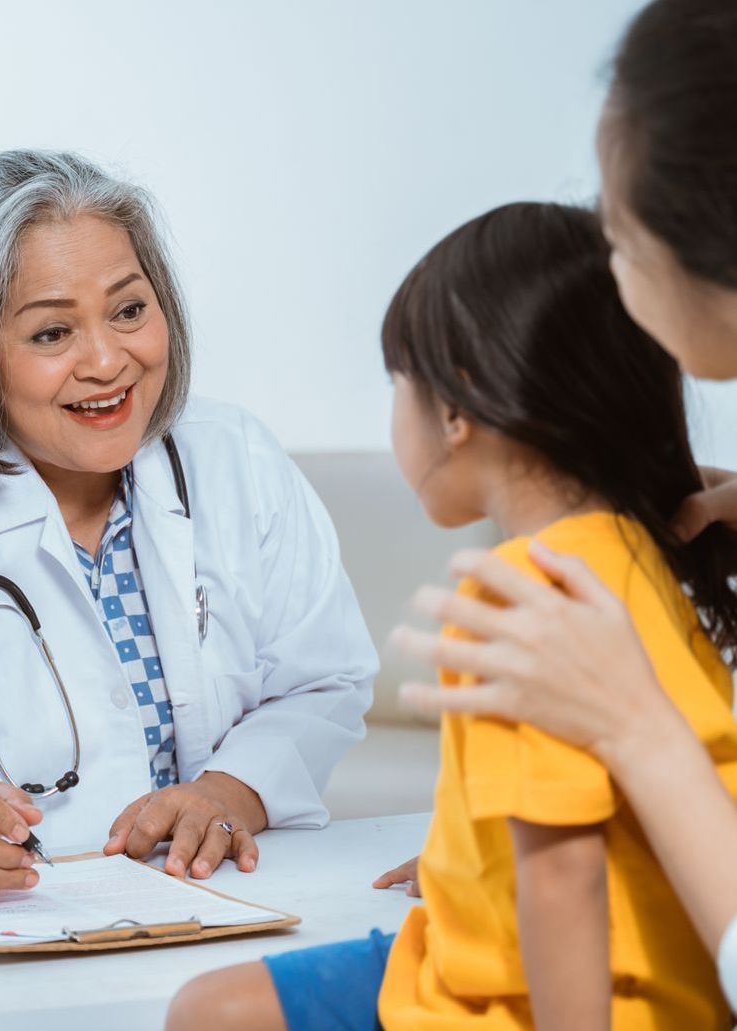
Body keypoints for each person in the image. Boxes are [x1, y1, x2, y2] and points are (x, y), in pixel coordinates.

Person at [166, 201, 737, 1030]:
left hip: (500, 999)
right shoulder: (654, 557)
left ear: (458, 409)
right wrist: (471, 854)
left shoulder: (520, 599)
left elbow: (560, 880)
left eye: (398, 382)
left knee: (207, 1013)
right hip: (674, 980)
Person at [0, 149, 378, 906]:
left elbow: (323, 677)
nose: (107, 360)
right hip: (14, 937)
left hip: (219, 906)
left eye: (129, 310)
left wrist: (231, 790)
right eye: (51, 333)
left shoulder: (235, 461)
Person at [389, 0, 737, 1011]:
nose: (613, 275)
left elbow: (563, 872)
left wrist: (637, 726)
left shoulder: (529, 596)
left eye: (621, 235)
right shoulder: (640, 545)